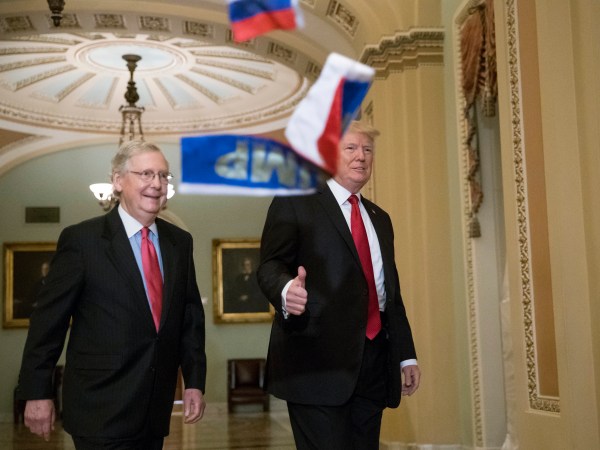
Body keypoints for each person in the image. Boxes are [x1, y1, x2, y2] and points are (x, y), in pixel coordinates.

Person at [17, 140, 207, 450]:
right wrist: (38, 391)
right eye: (146, 173)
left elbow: (189, 319)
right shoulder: (82, 241)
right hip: (99, 410)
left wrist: (194, 382)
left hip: (154, 411)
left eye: (163, 176)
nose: (156, 184)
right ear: (118, 181)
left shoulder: (179, 242)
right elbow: (47, 322)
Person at [257, 121, 421, 449]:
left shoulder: (380, 219)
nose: (361, 156)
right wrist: (287, 290)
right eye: (351, 148)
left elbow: (389, 293)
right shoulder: (295, 200)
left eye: (367, 150)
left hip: (373, 367)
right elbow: (270, 265)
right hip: (315, 366)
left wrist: (406, 355)